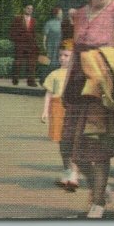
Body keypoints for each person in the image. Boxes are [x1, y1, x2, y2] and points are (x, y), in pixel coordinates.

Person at [61, 0, 114, 218]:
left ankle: (98, 202)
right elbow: (74, 51)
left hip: (101, 90)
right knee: (70, 147)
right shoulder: (78, 14)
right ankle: (101, 189)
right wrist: (65, 87)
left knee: (98, 148)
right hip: (77, 85)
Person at [41, 39, 79, 191]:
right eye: (61, 55)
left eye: (66, 55)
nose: (62, 58)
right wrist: (45, 111)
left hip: (72, 109)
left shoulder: (78, 74)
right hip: (57, 109)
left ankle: (74, 173)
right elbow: (48, 94)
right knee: (62, 142)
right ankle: (67, 170)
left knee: (73, 141)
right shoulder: (54, 74)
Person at [9, 3, 39, 86]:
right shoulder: (18, 18)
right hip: (20, 44)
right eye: (28, 8)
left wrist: (35, 44)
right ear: (24, 9)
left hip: (30, 45)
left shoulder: (33, 20)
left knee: (31, 63)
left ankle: (31, 81)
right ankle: (15, 79)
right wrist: (16, 40)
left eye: (31, 9)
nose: (30, 10)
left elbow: (34, 33)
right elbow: (12, 31)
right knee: (18, 62)